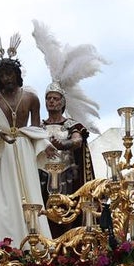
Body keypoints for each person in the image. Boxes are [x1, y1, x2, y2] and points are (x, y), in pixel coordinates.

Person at [0, 47, 51, 244]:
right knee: (4, 199)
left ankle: (36, 241)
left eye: (9, 73)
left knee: (31, 193)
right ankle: (6, 243)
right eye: (1, 75)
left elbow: (35, 130)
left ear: (17, 74)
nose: (6, 78)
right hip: (1, 151)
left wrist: (45, 143)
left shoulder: (31, 99)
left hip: (25, 150)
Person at [40, 82, 92, 236]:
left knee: (67, 212)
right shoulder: (39, 126)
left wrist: (63, 144)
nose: (51, 101)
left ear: (62, 102)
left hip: (66, 173)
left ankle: (67, 245)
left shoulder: (71, 125)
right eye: (48, 98)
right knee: (43, 211)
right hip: (43, 174)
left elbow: (77, 141)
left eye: (55, 98)